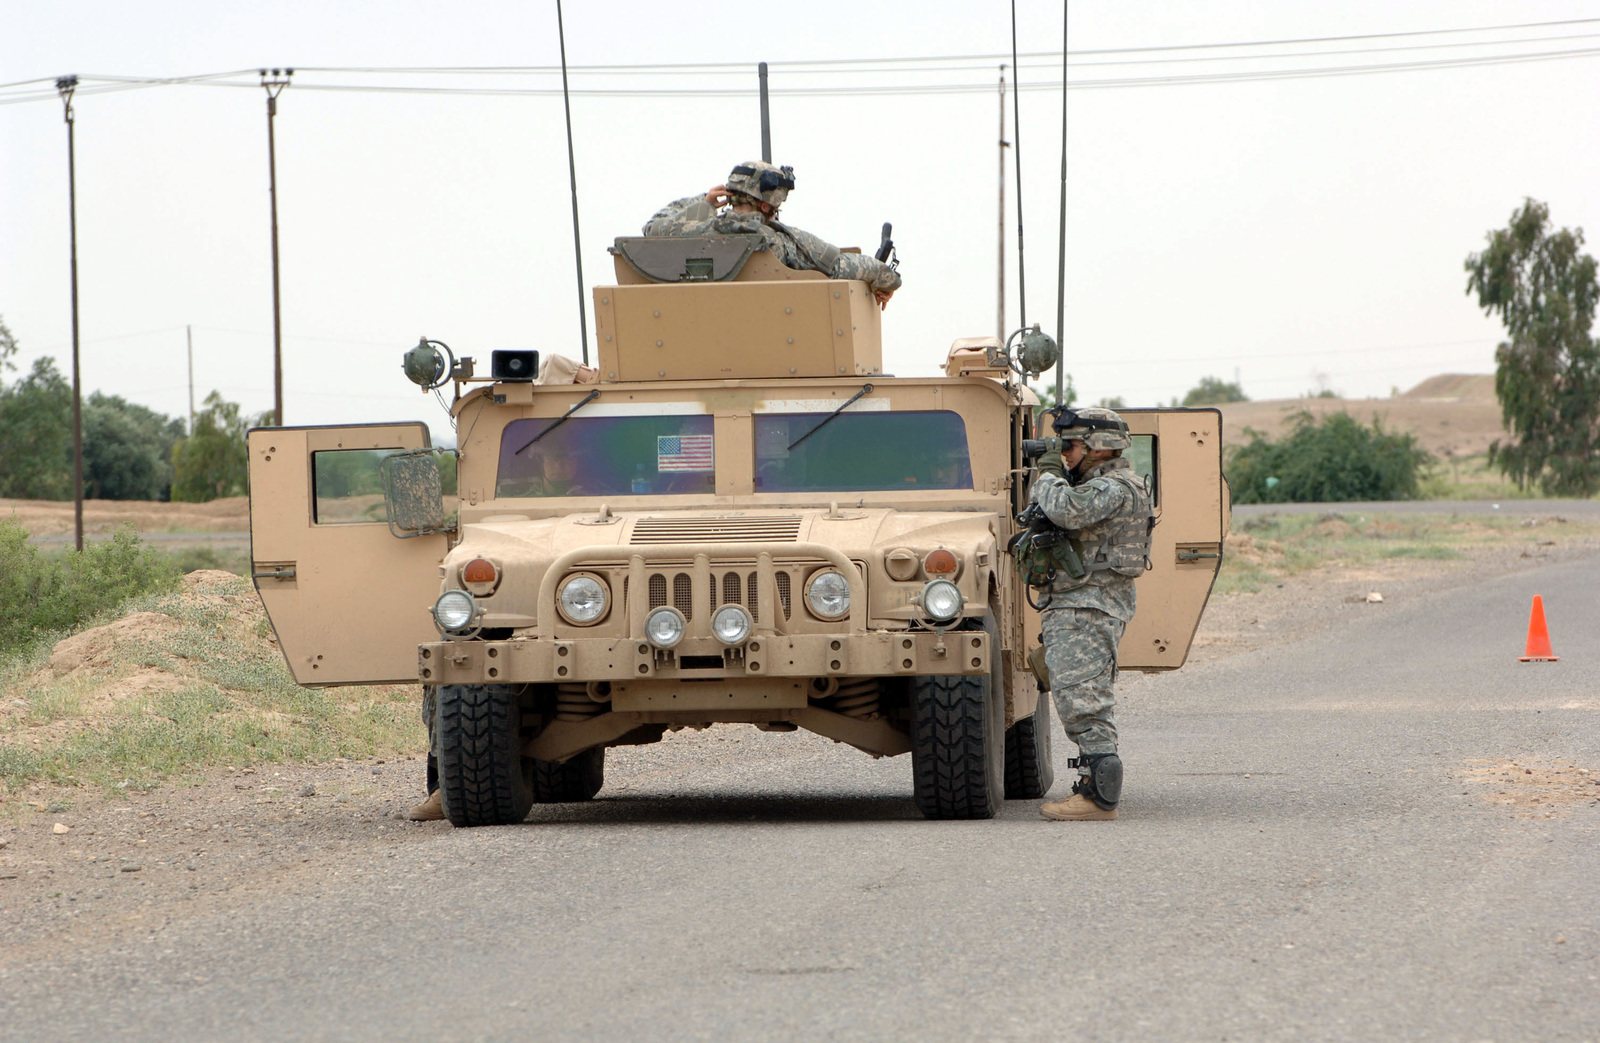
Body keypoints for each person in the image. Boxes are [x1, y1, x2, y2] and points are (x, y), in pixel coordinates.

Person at [1028, 406, 1154, 822]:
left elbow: (1065, 510)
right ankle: (1092, 789)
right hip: (1082, 604)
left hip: (1090, 606)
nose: (1066, 454)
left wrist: (1046, 471)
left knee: (1084, 699)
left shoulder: (1114, 488)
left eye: (1073, 445)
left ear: (1098, 447)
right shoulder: (1104, 484)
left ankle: (1099, 799)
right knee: (1074, 692)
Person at [643, 160, 902, 308]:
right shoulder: (780, 242)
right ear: (767, 206)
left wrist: (705, 201)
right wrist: (887, 279)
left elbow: (653, 225)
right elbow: (840, 265)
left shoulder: (689, 231)